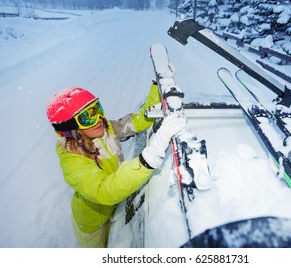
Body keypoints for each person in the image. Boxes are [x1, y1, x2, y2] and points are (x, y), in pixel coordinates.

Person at [46, 83, 186, 248]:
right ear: (71, 129)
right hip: (93, 224)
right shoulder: (73, 161)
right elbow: (104, 191)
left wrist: (157, 86)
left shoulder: (105, 130)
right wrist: (149, 157)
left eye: (97, 109)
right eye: (87, 117)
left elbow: (136, 122)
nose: (98, 119)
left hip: (114, 204)